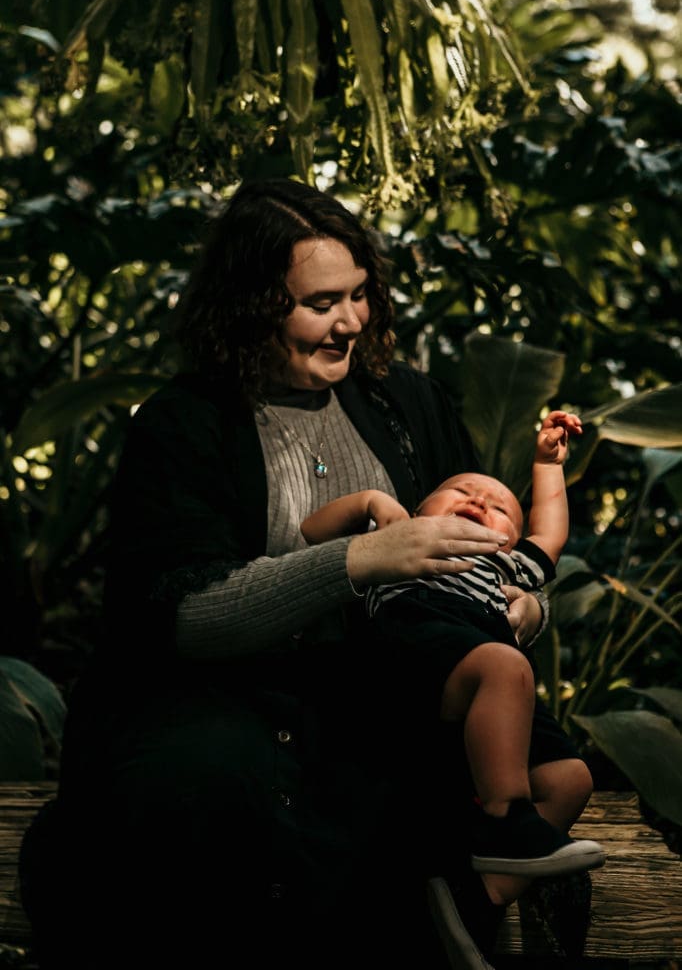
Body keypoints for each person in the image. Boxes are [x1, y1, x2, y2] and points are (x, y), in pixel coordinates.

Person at [20, 179, 584, 970]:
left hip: (391, 686)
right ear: (252, 308)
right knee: (207, 795)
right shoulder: (186, 424)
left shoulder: (405, 402)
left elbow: (489, 545)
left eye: (359, 295)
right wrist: (356, 560)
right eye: (321, 303)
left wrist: (524, 607)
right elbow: (184, 616)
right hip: (224, 698)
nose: (351, 321)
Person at [302, 412, 605, 953]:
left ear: (509, 539)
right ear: (420, 510)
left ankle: (476, 895)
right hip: (407, 652)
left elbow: (552, 529)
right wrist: (371, 503)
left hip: (486, 670)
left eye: (499, 507)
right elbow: (312, 531)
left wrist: (546, 464)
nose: (479, 501)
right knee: (507, 665)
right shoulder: (400, 537)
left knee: (570, 778)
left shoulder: (507, 568)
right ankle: (503, 821)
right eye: (460, 491)